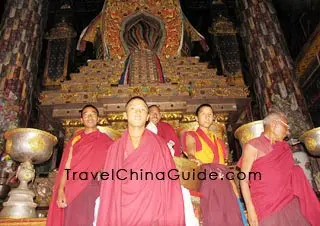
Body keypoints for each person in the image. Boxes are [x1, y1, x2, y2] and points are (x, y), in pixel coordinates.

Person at [96, 96, 185, 226]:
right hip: (122, 211)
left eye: (142, 109)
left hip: (153, 210)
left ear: (147, 116)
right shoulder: (115, 149)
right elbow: (109, 188)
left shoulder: (160, 145)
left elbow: (170, 183)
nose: (138, 112)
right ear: (125, 115)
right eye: (133, 109)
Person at [238, 111, 320, 226]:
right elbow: (243, 179)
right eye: (286, 127)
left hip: (291, 203)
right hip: (267, 208)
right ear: (274, 124)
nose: (288, 132)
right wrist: (250, 209)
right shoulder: (253, 146)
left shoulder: (284, 148)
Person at [47, 104, 114, 226]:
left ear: (98, 118)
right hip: (73, 188)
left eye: (93, 114)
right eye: (86, 114)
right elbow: (66, 166)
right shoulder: (75, 140)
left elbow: (112, 165)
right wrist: (61, 190)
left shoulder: (107, 141)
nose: (90, 117)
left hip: (94, 187)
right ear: (81, 120)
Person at [182, 104, 246, 226]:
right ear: (196, 118)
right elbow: (190, 152)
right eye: (203, 114)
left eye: (210, 114)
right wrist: (192, 158)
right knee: (213, 215)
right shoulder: (192, 135)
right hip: (207, 180)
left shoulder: (219, 141)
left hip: (224, 182)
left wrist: (234, 187)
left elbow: (224, 166)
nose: (207, 117)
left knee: (232, 215)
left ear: (213, 118)